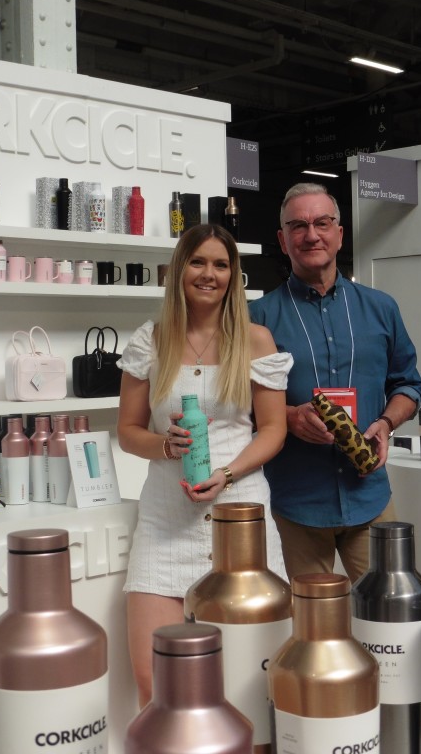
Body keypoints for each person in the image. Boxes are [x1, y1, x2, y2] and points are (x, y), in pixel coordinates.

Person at [116, 224, 292, 708]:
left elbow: (273, 429)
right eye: (198, 262)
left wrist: (228, 474)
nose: (208, 274)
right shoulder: (150, 342)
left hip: (239, 515)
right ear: (179, 270)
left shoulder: (255, 340)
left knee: (249, 684)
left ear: (233, 275)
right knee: (155, 682)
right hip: (165, 519)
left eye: (220, 264)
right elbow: (128, 431)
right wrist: (166, 447)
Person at [248, 182, 421, 584]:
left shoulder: (381, 308)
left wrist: (386, 422)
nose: (311, 235)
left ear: (340, 233)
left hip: (370, 497)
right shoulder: (257, 318)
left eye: (322, 223)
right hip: (294, 502)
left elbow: (408, 384)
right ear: (282, 239)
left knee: (390, 616)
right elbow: (238, 406)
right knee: (310, 630)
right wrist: (287, 417)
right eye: (298, 225)